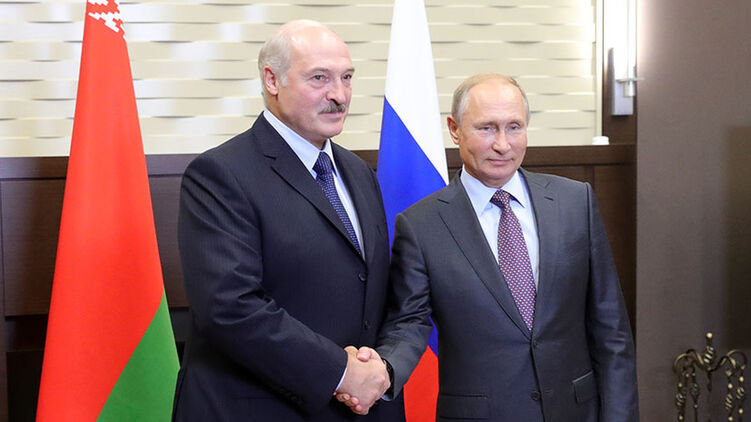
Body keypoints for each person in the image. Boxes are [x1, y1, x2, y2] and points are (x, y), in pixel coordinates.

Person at [341, 73, 639, 421]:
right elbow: (409, 323)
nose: (503, 144)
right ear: (454, 129)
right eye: (487, 128)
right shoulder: (421, 225)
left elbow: (611, 331)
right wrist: (383, 370)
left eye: (514, 127)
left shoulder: (575, 202)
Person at [172, 20, 404, 421]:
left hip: (358, 409)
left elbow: (374, 291)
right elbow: (230, 308)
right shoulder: (219, 174)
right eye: (320, 78)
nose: (339, 95)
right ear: (272, 80)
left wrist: (375, 371)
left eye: (347, 77)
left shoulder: (359, 172)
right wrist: (341, 371)